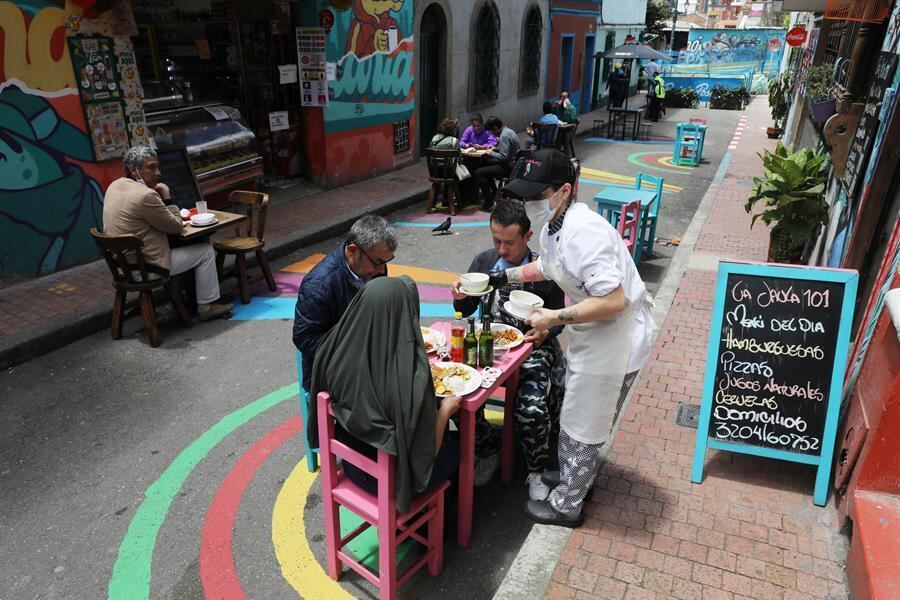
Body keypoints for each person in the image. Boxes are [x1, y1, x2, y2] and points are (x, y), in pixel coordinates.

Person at [492, 148, 655, 527]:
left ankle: (568, 505)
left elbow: (612, 299)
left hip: (616, 340)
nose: (529, 203)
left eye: (536, 195)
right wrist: (502, 277)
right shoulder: (554, 225)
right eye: (524, 195)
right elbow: (549, 266)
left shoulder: (584, 232)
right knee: (572, 409)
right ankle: (570, 479)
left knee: (586, 423)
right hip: (594, 334)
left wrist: (553, 316)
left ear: (564, 190)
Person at [309, 276, 460, 513]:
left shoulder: (333, 348)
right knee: (461, 445)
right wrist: (445, 412)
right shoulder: (408, 382)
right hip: (391, 483)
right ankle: (433, 524)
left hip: (351, 465)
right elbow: (425, 452)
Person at [451, 199, 567, 498]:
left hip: (531, 349)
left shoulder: (544, 270)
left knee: (532, 408)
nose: (501, 250)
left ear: (528, 236)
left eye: (509, 243)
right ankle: (489, 447)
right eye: (496, 240)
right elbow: (465, 310)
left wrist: (546, 331)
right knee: (453, 395)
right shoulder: (483, 263)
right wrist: (460, 298)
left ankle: (535, 469)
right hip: (490, 346)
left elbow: (558, 319)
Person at [102, 146, 232, 322]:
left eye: (158, 167)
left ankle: (184, 299)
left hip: (121, 266)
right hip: (145, 268)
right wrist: (167, 196)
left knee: (181, 247)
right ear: (133, 169)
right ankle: (206, 306)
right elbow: (176, 227)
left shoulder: (114, 186)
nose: (158, 173)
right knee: (206, 252)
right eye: (151, 167)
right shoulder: (146, 195)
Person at [293, 215, 397, 392]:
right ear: (352, 250)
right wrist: (354, 344)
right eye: (378, 262)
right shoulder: (319, 285)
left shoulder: (373, 267)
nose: (382, 270)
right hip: (331, 373)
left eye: (386, 262)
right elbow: (304, 338)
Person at [472, 116, 519, 212]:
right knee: (484, 166)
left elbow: (503, 157)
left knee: (478, 173)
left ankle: (488, 203)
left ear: (495, 128)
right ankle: (493, 193)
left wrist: (491, 153)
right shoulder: (508, 131)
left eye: (491, 132)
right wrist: (496, 149)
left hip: (508, 167)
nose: (492, 134)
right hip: (513, 165)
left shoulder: (504, 136)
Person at [554, 91, 578, 157]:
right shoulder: (558, 107)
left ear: (568, 98)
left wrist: (567, 109)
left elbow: (571, 120)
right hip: (559, 128)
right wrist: (556, 107)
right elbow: (553, 116)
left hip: (569, 129)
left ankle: (567, 156)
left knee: (565, 137)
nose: (562, 98)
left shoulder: (572, 108)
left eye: (564, 97)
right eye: (561, 96)